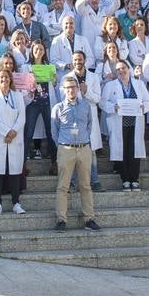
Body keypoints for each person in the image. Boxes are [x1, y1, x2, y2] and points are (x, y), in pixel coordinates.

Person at [50, 75, 99, 231]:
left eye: (73, 87)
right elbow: (54, 130)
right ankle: (61, 219)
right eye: (68, 87)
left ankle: (89, 218)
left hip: (84, 148)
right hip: (66, 149)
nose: (71, 90)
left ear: (78, 89)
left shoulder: (86, 105)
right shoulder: (58, 108)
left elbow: (89, 125)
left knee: (85, 185)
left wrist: (82, 140)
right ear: (64, 90)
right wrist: (64, 143)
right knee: (63, 186)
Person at [0, 68, 25, 215]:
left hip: (15, 137)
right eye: (1, 77)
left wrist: (13, 132)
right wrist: (7, 132)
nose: (4, 80)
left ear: (10, 79)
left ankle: (16, 202)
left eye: (6, 77)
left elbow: (22, 116)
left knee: (15, 171)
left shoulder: (18, 96)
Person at [101, 59, 147, 190]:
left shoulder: (139, 84)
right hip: (118, 123)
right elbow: (102, 103)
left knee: (134, 151)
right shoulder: (110, 85)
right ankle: (125, 179)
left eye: (123, 68)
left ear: (129, 69)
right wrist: (113, 107)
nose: (121, 71)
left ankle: (135, 179)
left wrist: (143, 107)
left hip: (135, 123)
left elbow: (147, 100)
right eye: (118, 70)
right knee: (122, 150)